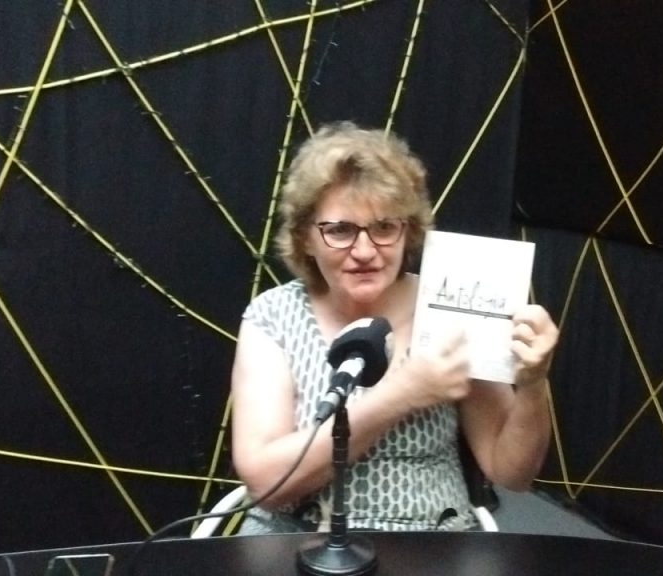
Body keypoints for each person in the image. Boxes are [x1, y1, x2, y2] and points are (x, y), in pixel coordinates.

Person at [230, 121, 558, 533]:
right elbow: (266, 483)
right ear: (305, 238)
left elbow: (512, 472)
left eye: (384, 227)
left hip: (430, 543)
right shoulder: (273, 315)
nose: (364, 251)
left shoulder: (451, 303)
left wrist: (533, 383)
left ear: (409, 231)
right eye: (341, 230)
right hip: (297, 539)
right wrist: (399, 396)